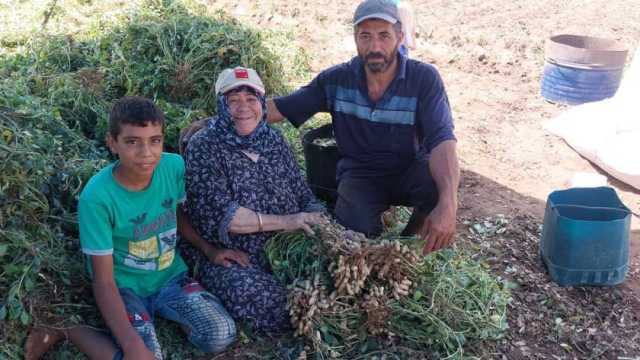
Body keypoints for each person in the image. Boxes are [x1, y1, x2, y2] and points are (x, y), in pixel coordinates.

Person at [25, 96, 236, 360]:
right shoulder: (98, 197)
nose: (146, 153)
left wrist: (209, 249)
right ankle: (67, 328)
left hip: (170, 278)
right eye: (132, 141)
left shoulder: (173, 168)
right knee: (139, 355)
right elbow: (103, 281)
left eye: (154, 140)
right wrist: (131, 344)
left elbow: (177, 214)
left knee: (221, 334)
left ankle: (165, 314)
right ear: (112, 143)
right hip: (124, 287)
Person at [267, 0, 460, 254]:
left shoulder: (423, 79)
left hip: (409, 168)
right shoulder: (336, 80)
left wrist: (449, 204)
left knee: (440, 187)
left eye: (384, 35)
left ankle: (407, 243)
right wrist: (229, 113)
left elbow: (442, 140)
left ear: (400, 37)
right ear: (355, 39)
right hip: (360, 175)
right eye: (365, 36)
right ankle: (375, 240)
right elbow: (282, 107)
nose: (375, 47)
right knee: (353, 245)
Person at [180, 67, 325, 333]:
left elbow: (301, 191)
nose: (243, 108)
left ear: (262, 102)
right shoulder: (204, 146)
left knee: (330, 275)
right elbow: (227, 217)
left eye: (251, 99)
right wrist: (289, 221)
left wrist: (318, 218)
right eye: (233, 100)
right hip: (232, 251)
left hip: (285, 243)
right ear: (221, 105)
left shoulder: (274, 139)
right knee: (268, 300)